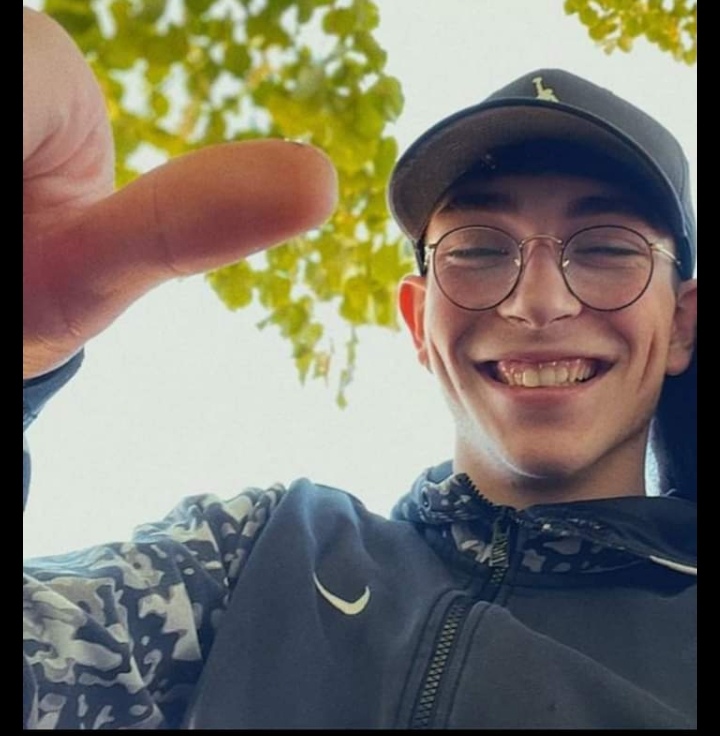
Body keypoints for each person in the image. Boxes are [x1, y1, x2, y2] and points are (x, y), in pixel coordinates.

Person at [23, 7, 697, 730]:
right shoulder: (254, 555)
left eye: (607, 250)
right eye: (477, 250)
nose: (539, 301)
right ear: (418, 321)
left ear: (682, 324)